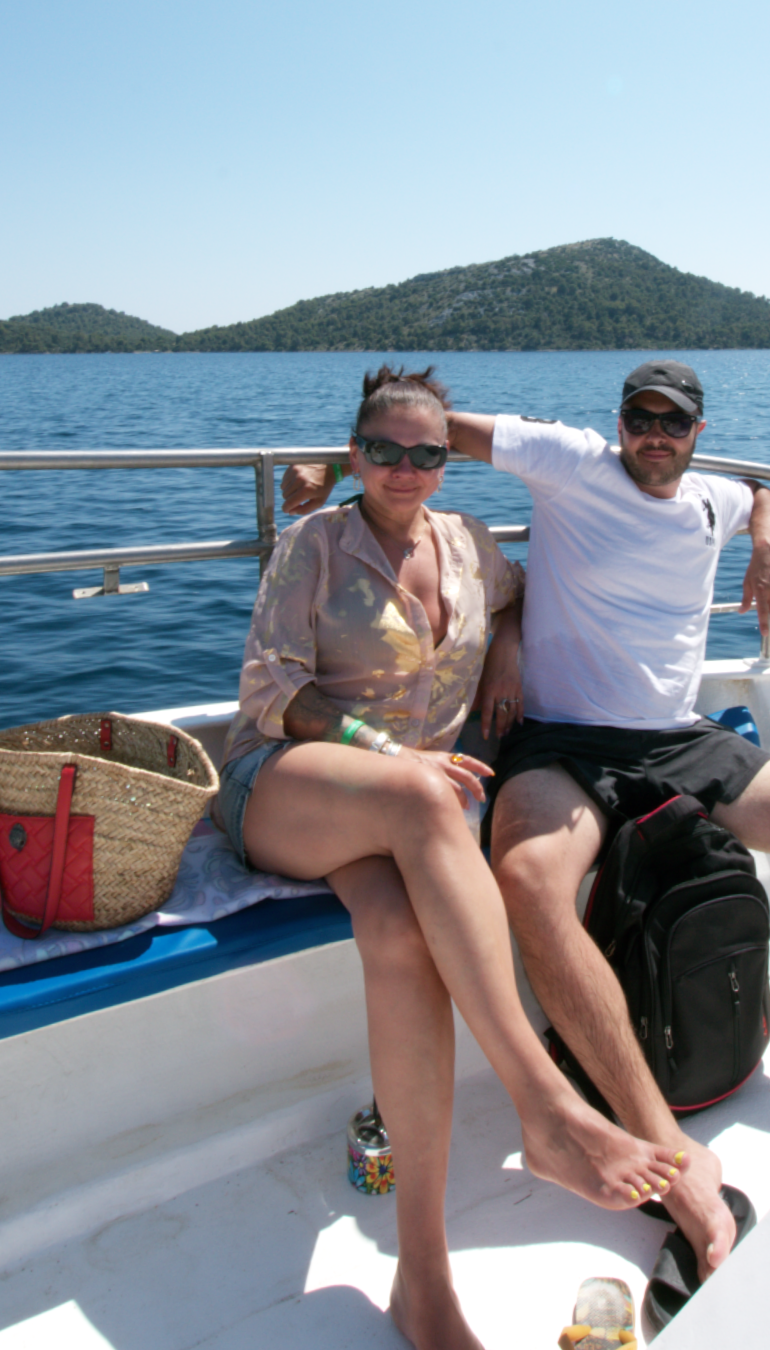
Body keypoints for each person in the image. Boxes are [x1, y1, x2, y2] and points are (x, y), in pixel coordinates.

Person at [282, 358, 770, 1291]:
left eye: (674, 422)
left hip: (679, 738)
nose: (655, 434)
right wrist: (327, 474)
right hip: (564, 742)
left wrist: (767, 544)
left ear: (696, 433)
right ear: (617, 423)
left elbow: (764, 492)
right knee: (528, 879)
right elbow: (428, 431)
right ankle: (659, 1145)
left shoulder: (710, 500)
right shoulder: (570, 462)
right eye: (639, 418)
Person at [217, 366, 685, 1350]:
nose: (404, 469)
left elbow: (514, 599)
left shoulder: (470, 546)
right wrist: (392, 754)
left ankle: (420, 1285)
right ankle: (546, 1108)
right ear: (354, 456)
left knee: (398, 937)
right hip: (289, 786)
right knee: (430, 792)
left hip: (398, 821)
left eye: (426, 453)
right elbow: (275, 691)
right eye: (382, 450)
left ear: (445, 462)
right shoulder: (313, 545)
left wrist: (506, 652)